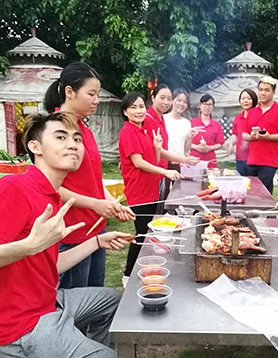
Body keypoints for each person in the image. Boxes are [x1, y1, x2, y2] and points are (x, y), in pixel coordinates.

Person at [0, 111, 136, 358]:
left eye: (77, 139)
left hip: (46, 304)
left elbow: (50, 265)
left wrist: (97, 241)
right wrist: (28, 246)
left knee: (112, 301)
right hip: (16, 330)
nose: (73, 144)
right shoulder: (13, 188)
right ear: (35, 147)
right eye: (60, 137)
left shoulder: (51, 193)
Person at [44, 61, 135, 289]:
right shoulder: (53, 131)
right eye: (91, 94)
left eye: (97, 95)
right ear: (69, 92)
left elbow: (93, 178)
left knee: (94, 295)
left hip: (95, 228)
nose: (96, 100)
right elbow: (50, 186)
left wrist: (112, 204)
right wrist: (95, 204)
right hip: (72, 232)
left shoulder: (82, 130)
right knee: (76, 301)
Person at [119, 92, 182, 287]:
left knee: (148, 232)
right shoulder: (128, 132)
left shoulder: (143, 131)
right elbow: (138, 163)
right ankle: (128, 275)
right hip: (139, 192)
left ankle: (144, 270)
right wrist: (165, 171)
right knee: (141, 234)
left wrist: (156, 147)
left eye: (140, 107)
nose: (138, 111)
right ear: (125, 112)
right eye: (133, 107)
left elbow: (154, 160)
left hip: (151, 189)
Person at [143, 84, 199, 204]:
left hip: (178, 164)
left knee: (175, 199)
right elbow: (155, 149)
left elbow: (186, 149)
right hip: (163, 165)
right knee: (162, 200)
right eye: (178, 100)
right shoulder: (160, 118)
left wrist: (190, 137)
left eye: (185, 102)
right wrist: (186, 159)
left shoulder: (186, 123)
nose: (181, 104)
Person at [243, 76, 278, 194]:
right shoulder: (252, 112)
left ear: (273, 92)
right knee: (251, 194)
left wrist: (269, 137)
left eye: (267, 90)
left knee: (264, 194)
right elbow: (244, 135)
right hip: (251, 160)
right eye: (260, 89)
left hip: (268, 161)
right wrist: (252, 136)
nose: (263, 93)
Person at [226, 88, 259, 176]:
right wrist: (231, 143)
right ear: (240, 101)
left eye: (249, 98)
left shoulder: (258, 116)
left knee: (254, 182)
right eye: (243, 98)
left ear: (254, 100)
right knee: (241, 181)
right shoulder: (238, 118)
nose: (246, 101)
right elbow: (235, 135)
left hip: (255, 158)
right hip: (240, 157)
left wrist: (248, 140)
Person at [190, 94, 226, 169]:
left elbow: (220, 144)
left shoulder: (216, 125)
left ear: (213, 107)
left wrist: (209, 148)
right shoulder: (191, 123)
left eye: (210, 105)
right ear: (200, 105)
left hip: (210, 160)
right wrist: (196, 147)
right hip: (194, 159)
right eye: (205, 104)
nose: (207, 107)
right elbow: (185, 141)